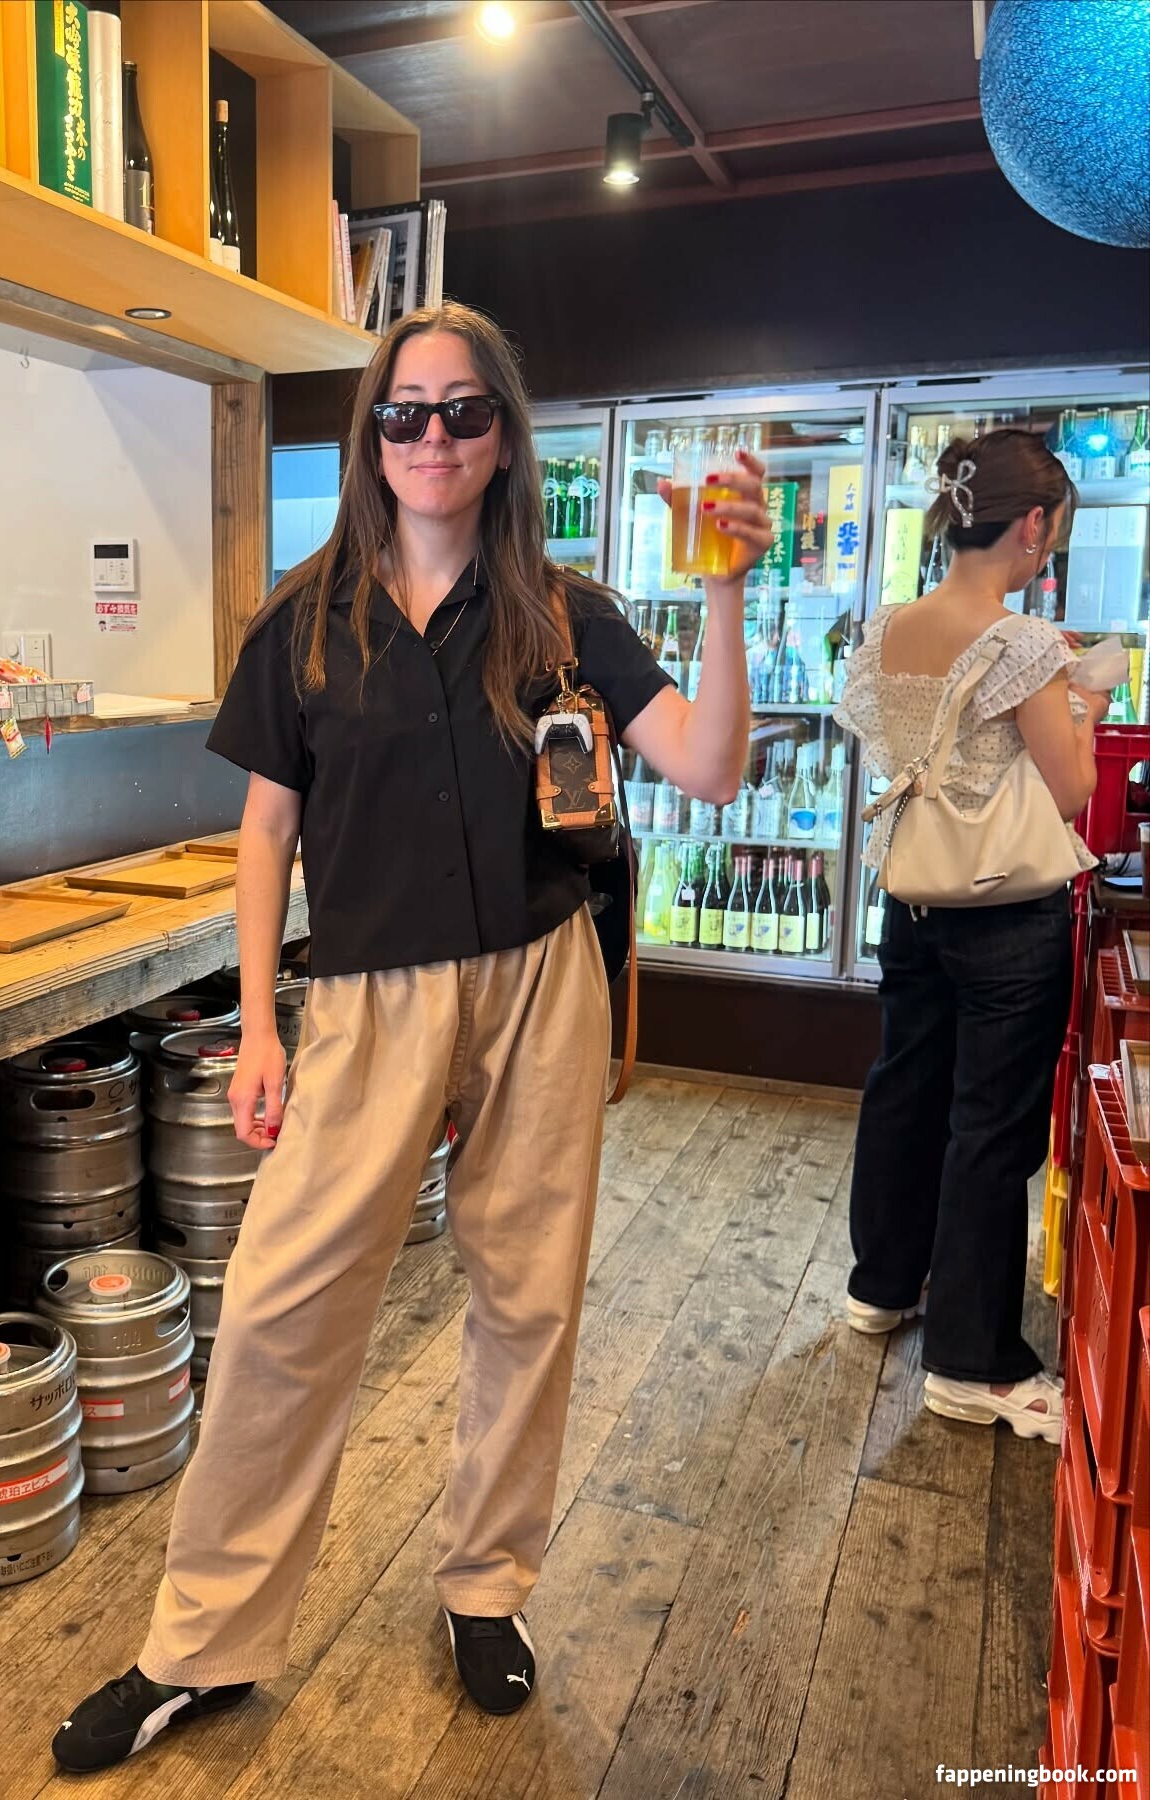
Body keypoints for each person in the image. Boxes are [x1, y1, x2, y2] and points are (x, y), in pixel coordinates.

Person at [52, 302, 769, 1773]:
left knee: (530, 1298)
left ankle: (486, 1590)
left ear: (504, 438)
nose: (431, 436)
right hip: (368, 1001)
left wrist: (726, 592)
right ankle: (201, 1644)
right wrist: (260, 1026)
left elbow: (708, 765)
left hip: (541, 980)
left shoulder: (564, 615)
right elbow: (266, 835)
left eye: (462, 411)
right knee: (282, 1308)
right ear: (369, 437)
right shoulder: (303, 624)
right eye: (404, 412)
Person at [835, 429, 1105, 1446]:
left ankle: (881, 1284)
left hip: (911, 898)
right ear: (1031, 524)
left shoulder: (889, 628)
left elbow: (889, 747)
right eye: (1051, 533)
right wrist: (1087, 703)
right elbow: (1070, 790)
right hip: (1004, 914)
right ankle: (972, 1362)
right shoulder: (1025, 644)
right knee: (990, 1126)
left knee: (904, 1088)